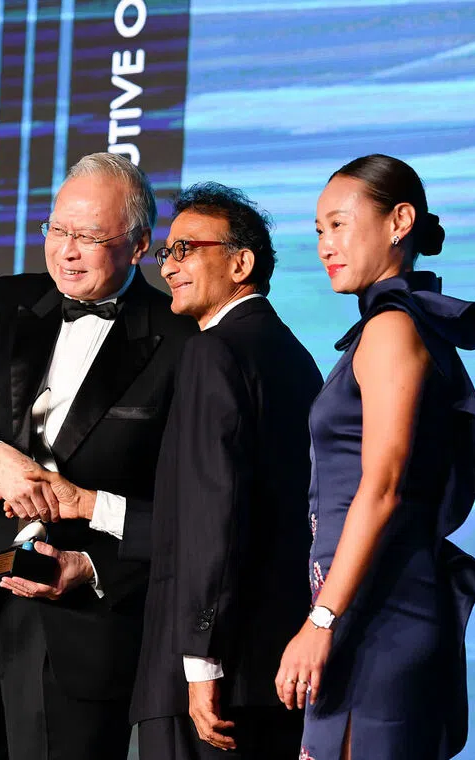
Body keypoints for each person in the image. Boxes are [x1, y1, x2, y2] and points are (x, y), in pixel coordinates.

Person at [0, 152, 197, 760]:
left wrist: (94, 570)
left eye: (89, 237)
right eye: (57, 229)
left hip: (84, 627)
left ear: (139, 245)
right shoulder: (9, 301)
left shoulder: (181, 340)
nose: (66, 251)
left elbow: (188, 512)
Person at [275, 155, 475, 760]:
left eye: (339, 224)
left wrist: (322, 620)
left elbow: (383, 486)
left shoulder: (393, 329)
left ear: (399, 221)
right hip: (361, 604)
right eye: (319, 230)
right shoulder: (392, 325)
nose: (325, 245)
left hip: (376, 612)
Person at [128, 183, 323, 759]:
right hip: (273, 672)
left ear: (241, 264)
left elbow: (213, 514)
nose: (168, 267)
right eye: (166, 253)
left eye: (186, 249)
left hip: (214, 680)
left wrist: (201, 663)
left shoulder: (213, 350)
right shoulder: (294, 355)